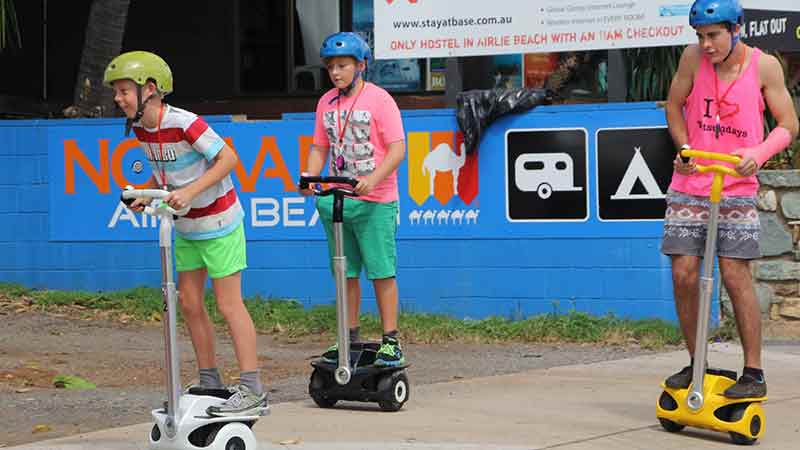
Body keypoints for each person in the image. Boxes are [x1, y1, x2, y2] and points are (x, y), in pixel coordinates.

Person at [104, 51, 267, 416]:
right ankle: (211, 381)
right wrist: (145, 193)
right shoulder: (142, 130)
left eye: (124, 90)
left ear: (150, 89)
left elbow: (228, 159)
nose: (118, 98)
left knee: (228, 304)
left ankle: (253, 387)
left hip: (221, 223)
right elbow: (167, 177)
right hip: (186, 226)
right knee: (190, 303)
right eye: (116, 92)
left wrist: (191, 192)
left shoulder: (185, 123)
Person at [662, 0, 799, 398]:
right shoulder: (692, 59)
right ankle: (696, 363)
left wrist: (758, 154)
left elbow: (789, 124)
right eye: (700, 37)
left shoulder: (765, 66)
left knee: (735, 275)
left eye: (713, 36)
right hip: (690, 184)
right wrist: (685, 147)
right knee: (684, 274)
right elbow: (674, 105)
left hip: (736, 186)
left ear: (736, 29)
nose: (705, 45)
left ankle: (753, 373)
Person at [300, 32, 407, 366]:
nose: (336, 72)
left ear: (361, 65)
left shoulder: (380, 100)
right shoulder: (326, 103)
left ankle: (391, 340)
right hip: (338, 199)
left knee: (381, 272)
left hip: (376, 201)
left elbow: (398, 148)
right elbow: (320, 146)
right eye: (331, 66)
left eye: (343, 65)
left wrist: (372, 179)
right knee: (344, 273)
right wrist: (309, 176)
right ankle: (348, 337)